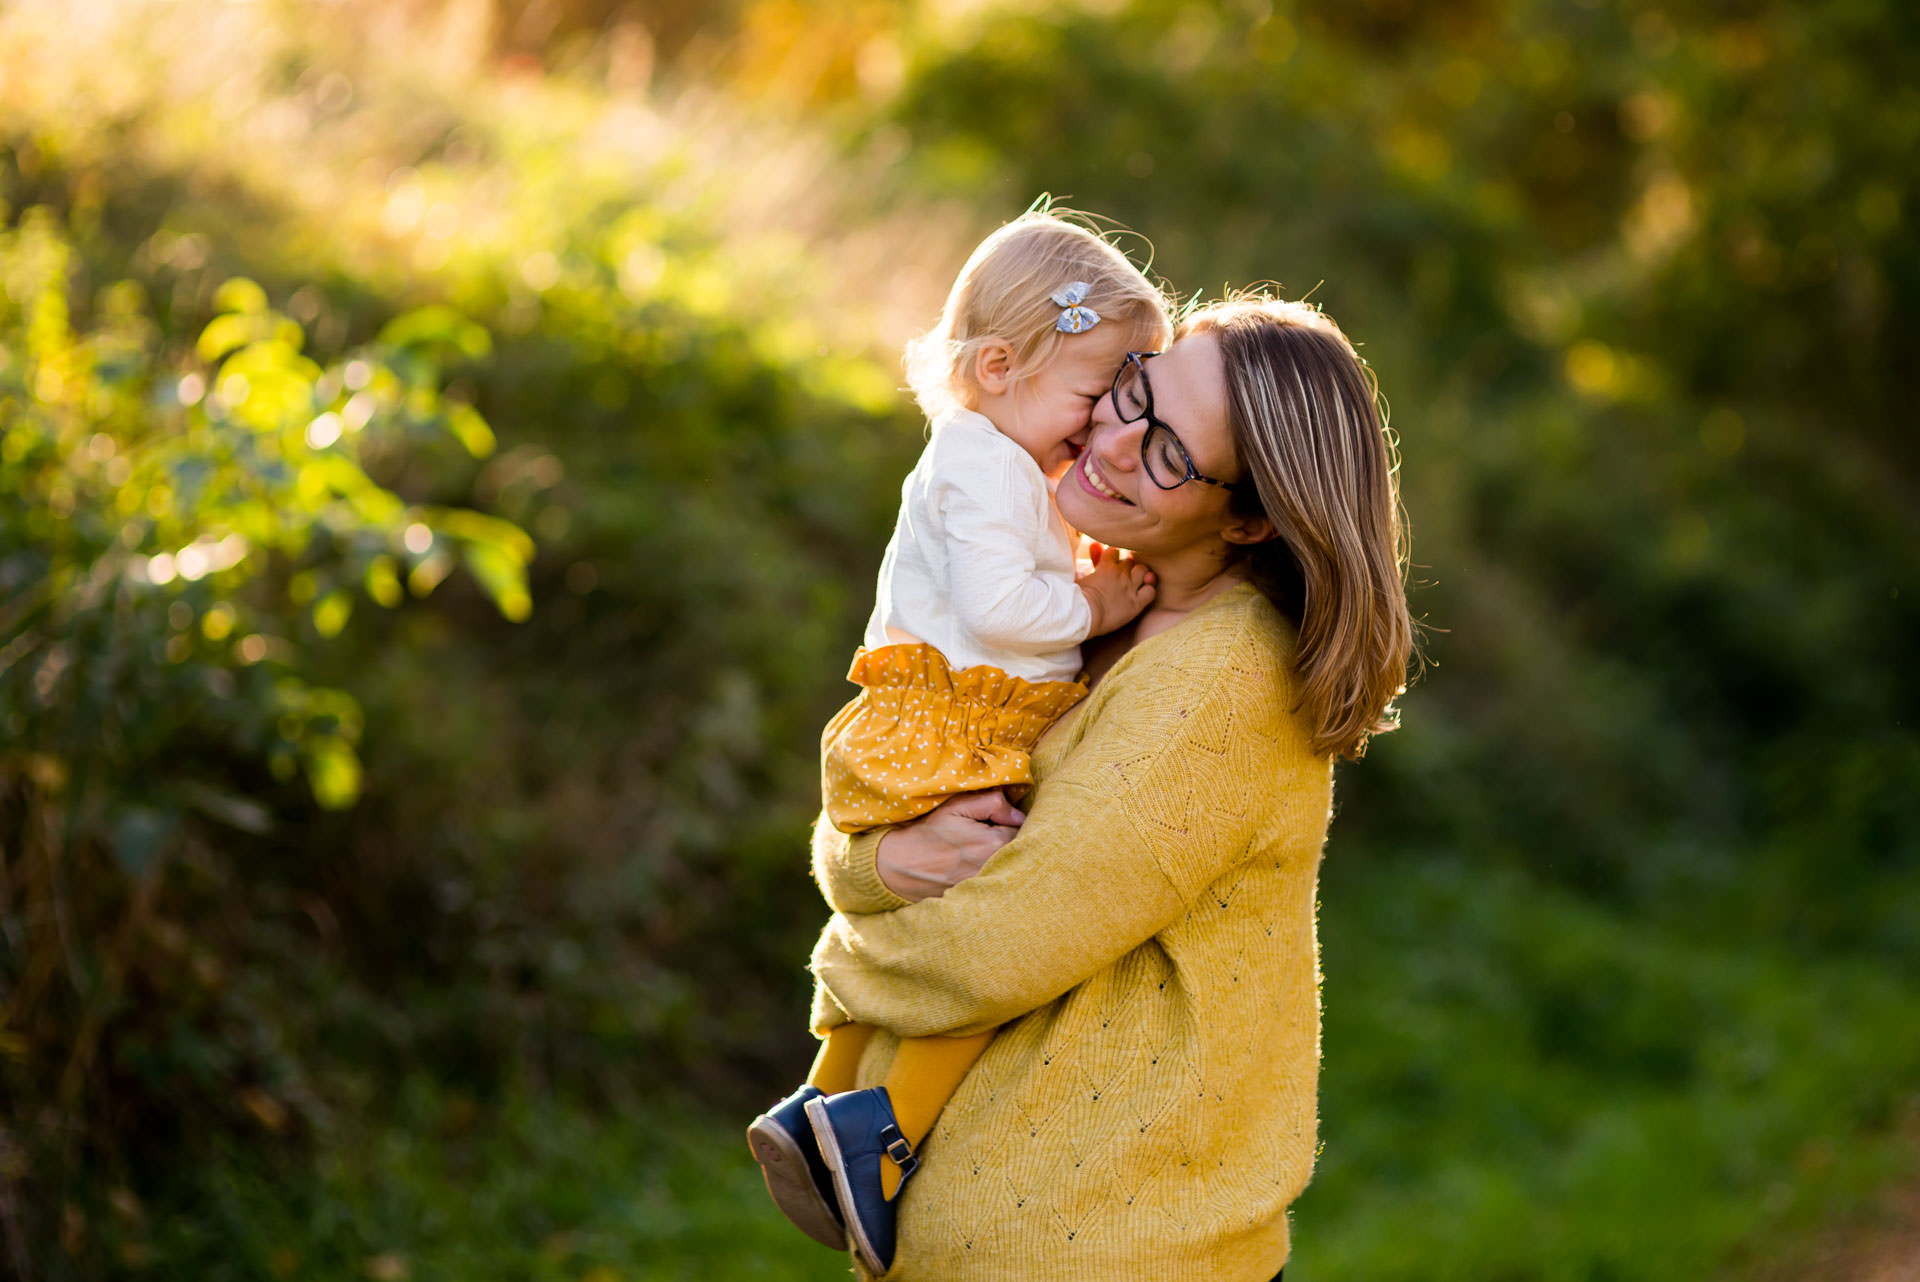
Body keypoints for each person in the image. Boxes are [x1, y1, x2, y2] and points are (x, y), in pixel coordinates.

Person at [796, 293, 1414, 1280]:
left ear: (1250, 516)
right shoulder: (1073, 601)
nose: (1119, 441)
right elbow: (895, 774)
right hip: (972, 1240)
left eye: (1171, 450)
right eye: (1135, 393)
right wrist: (878, 859)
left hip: (1115, 1250)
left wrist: (846, 957)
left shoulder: (1221, 684)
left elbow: (1002, 939)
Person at [746, 210, 1173, 1274]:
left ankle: (823, 1096)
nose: (1101, 426)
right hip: (960, 729)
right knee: (988, 948)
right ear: (998, 364)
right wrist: (1098, 600)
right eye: (1095, 395)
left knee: (923, 930)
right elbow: (998, 607)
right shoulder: (979, 464)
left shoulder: (994, 455)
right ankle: (877, 1133)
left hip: (948, 723)